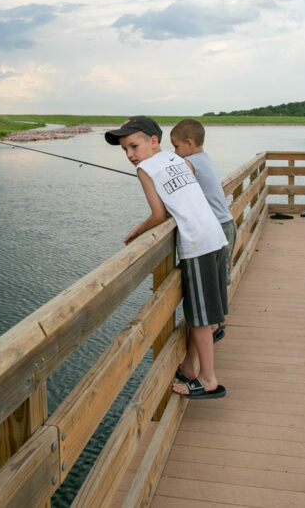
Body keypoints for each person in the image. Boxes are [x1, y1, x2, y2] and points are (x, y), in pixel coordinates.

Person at [105, 116, 228, 399]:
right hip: (215, 236)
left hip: (196, 243)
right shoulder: (181, 161)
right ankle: (188, 367)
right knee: (205, 314)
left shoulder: (145, 169)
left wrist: (138, 230)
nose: (130, 155)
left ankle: (208, 379)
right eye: (125, 150)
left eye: (133, 146)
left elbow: (159, 215)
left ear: (153, 141)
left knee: (198, 317)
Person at [170, 118, 235, 343]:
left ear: (188, 143)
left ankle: (214, 326)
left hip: (218, 228)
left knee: (216, 281)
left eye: (176, 147)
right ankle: (216, 325)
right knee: (220, 279)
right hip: (226, 225)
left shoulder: (189, 163)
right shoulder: (204, 158)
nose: (175, 152)